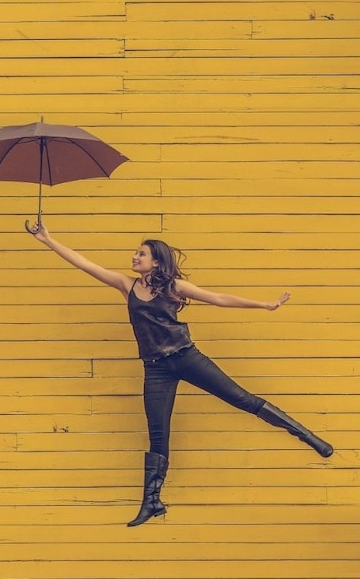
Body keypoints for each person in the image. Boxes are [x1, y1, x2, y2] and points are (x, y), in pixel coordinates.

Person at [26, 221, 334, 527]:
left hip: (187, 357)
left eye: (141, 254)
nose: (135, 257)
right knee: (158, 435)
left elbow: (218, 298)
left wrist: (265, 304)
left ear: (156, 261)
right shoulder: (126, 285)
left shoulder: (173, 287)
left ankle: (307, 436)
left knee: (242, 399)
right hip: (156, 369)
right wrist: (47, 240)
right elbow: (84, 264)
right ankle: (152, 502)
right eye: (136, 253)